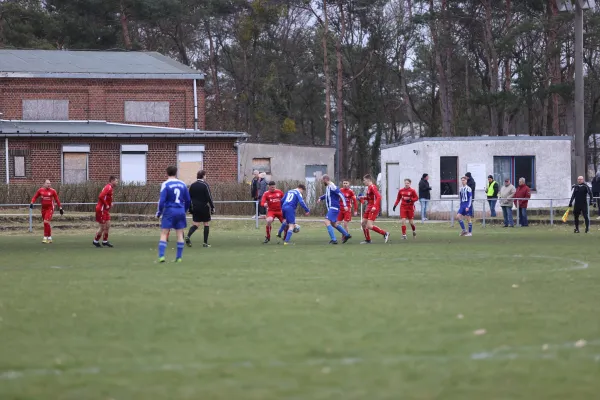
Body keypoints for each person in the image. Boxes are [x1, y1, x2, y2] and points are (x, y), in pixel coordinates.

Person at [156, 166, 191, 262]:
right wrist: (184, 210)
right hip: (180, 210)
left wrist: (159, 212)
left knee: (164, 233)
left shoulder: (165, 184)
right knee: (180, 234)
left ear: (166, 173)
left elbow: (162, 201)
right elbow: (188, 200)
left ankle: (161, 256)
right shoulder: (182, 184)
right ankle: (179, 258)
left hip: (169, 211)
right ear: (176, 173)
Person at [317, 175, 351, 244]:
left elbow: (341, 194)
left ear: (325, 179)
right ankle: (347, 235)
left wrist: (345, 205)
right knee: (334, 223)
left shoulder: (332, 186)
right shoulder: (329, 186)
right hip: (332, 208)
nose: (322, 182)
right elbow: (327, 195)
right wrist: (320, 198)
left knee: (326, 221)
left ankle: (334, 240)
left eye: (322, 181)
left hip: (334, 207)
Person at [186, 170, 215, 248]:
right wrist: (212, 207)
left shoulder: (192, 185)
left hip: (195, 207)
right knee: (206, 224)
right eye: (205, 175)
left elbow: (189, 198)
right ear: (203, 176)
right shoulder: (205, 185)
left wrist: (189, 208)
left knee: (196, 224)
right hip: (204, 207)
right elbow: (209, 197)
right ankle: (205, 243)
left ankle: (188, 236)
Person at [359, 174, 390, 244]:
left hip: (373, 208)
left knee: (369, 225)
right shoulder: (369, 188)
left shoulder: (373, 187)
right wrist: (362, 197)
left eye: (364, 180)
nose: (363, 182)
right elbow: (369, 198)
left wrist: (375, 206)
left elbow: (379, 197)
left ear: (368, 180)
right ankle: (368, 240)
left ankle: (385, 233)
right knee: (363, 223)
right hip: (369, 207)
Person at [30, 179, 64, 244]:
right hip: (43, 208)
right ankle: (50, 237)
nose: (49, 184)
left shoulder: (53, 191)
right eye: (47, 183)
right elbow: (35, 197)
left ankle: (45, 237)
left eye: (49, 183)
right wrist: (32, 203)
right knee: (46, 223)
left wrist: (60, 208)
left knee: (46, 222)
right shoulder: (40, 190)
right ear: (44, 184)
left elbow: (57, 200)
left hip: (50, 208)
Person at [93, 176, 118, 248]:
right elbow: (100, 196)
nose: (117, 182)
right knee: (102, 227)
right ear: (112, 181)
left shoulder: (110, 188)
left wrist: (110, 203)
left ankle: (105, 241)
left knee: (108, 225)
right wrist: (106, 204)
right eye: (116, 181)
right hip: (101, 209)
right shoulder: (108, 187)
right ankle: (95, 241)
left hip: (105, 210)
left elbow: (107, 197)